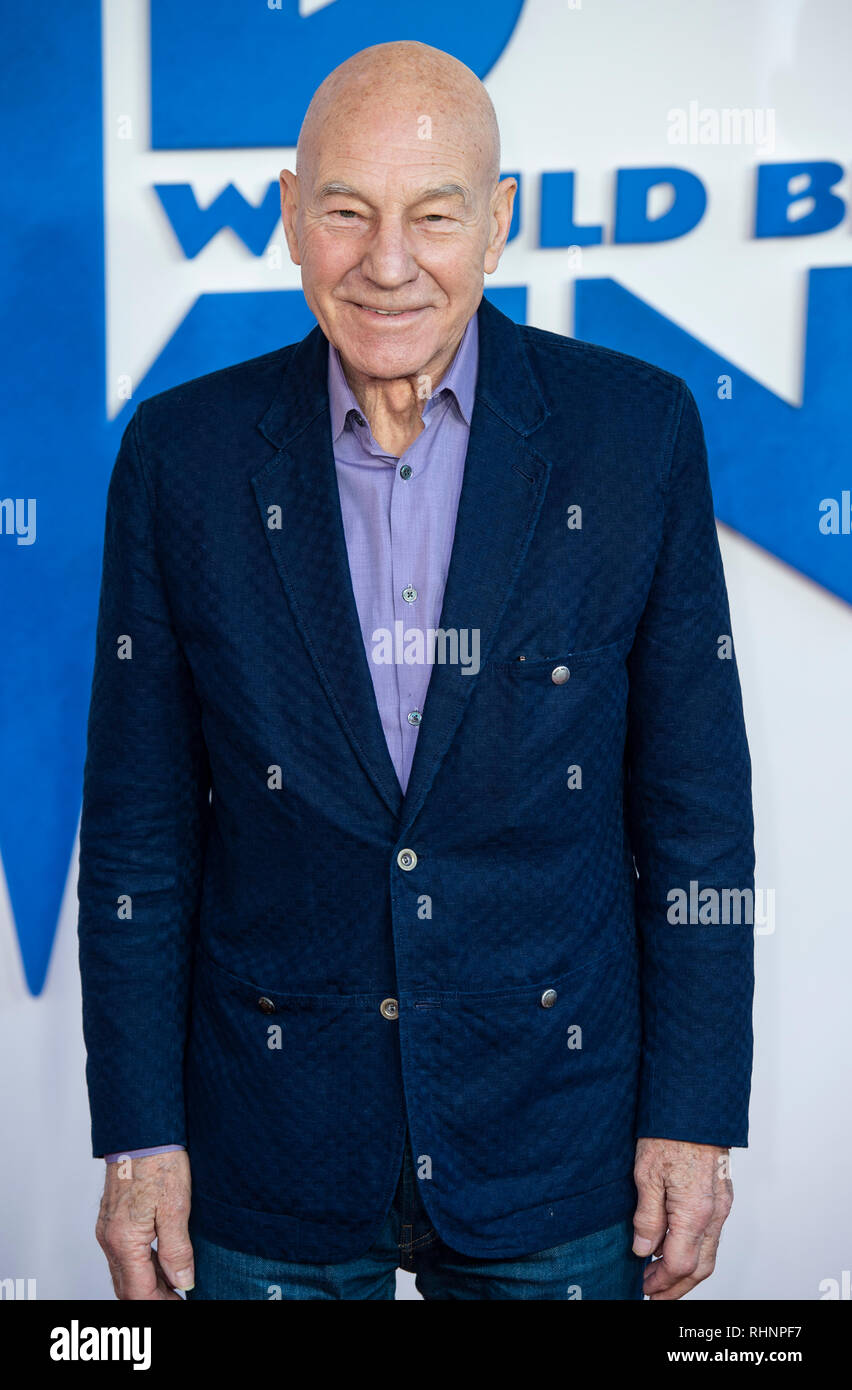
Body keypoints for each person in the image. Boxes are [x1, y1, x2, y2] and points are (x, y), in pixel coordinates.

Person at [78, 39, 755, 1301]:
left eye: (433, 216)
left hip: (555, 1135)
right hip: (266, 1148)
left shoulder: (634, 433)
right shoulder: (182, 457)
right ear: (288, 215)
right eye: (346, 212)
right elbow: (135, 840)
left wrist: (698, 1115)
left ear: (499, 224)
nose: (388, 263)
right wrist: (138, 1140)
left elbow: (697, 820)